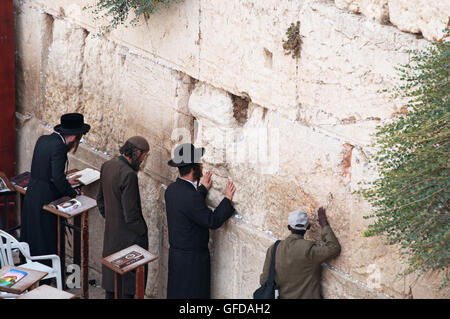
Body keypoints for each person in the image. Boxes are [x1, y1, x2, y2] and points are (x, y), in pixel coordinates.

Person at [165, 143, 236, 299]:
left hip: (177, 258)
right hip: (192, 261)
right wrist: (227, 199)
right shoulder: (190, 197)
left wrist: (202, 189)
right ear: (193, 168)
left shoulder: (171, 190)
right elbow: (212, 221)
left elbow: (190, 208)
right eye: (199, 162)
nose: (201, 164)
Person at [20, 113, 90, 262]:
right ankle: (46, 275)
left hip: (33, 192)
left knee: (33, 235)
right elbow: (57, 178)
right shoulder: (59, 147)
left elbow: (47, 171)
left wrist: (67, 180)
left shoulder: (44, 139)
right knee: (45, 237)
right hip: (45, 198)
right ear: (73, 137)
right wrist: (73, 193)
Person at [97, 136, 150, 299]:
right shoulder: (129, 175)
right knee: (126, 288)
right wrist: (143, 232)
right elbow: (131, 214)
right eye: (143, 157)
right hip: (128, 240)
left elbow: (100, 201)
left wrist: (113, 219)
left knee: (112, 288)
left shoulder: (107, 165)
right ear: (137, 153)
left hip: (111, 236)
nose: (142, 161)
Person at [259, 207, 341, 299]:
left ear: (289, 227)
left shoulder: (274, 248)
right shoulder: (309, 249)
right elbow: (334, 248)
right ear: (308, 227)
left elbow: (264, 280)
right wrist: (324, 224)